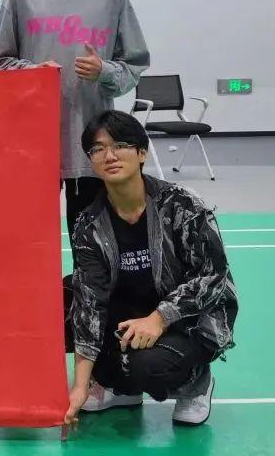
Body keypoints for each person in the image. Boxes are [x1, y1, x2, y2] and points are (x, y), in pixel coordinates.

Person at [0, 0, 149, 251]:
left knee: (93, 242)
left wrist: (104, 70)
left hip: (93, 144)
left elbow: (134, 65)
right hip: (32, 142)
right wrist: (33, 73)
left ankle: (87, 290)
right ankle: (39, 290)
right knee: (31, 240)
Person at [64, 110, 237, 430]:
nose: (109, 156)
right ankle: (120, 388)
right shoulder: (89, 224)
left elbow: (213, 276)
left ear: (142, 153)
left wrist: (160, 318)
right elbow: (90, 301)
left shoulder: (182, 205)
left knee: (147, 367)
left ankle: (195, 383)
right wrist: (79, 386)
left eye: (119, 146)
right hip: (131, 311)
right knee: (62, 302)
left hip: (188, 319)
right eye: (98, 149)